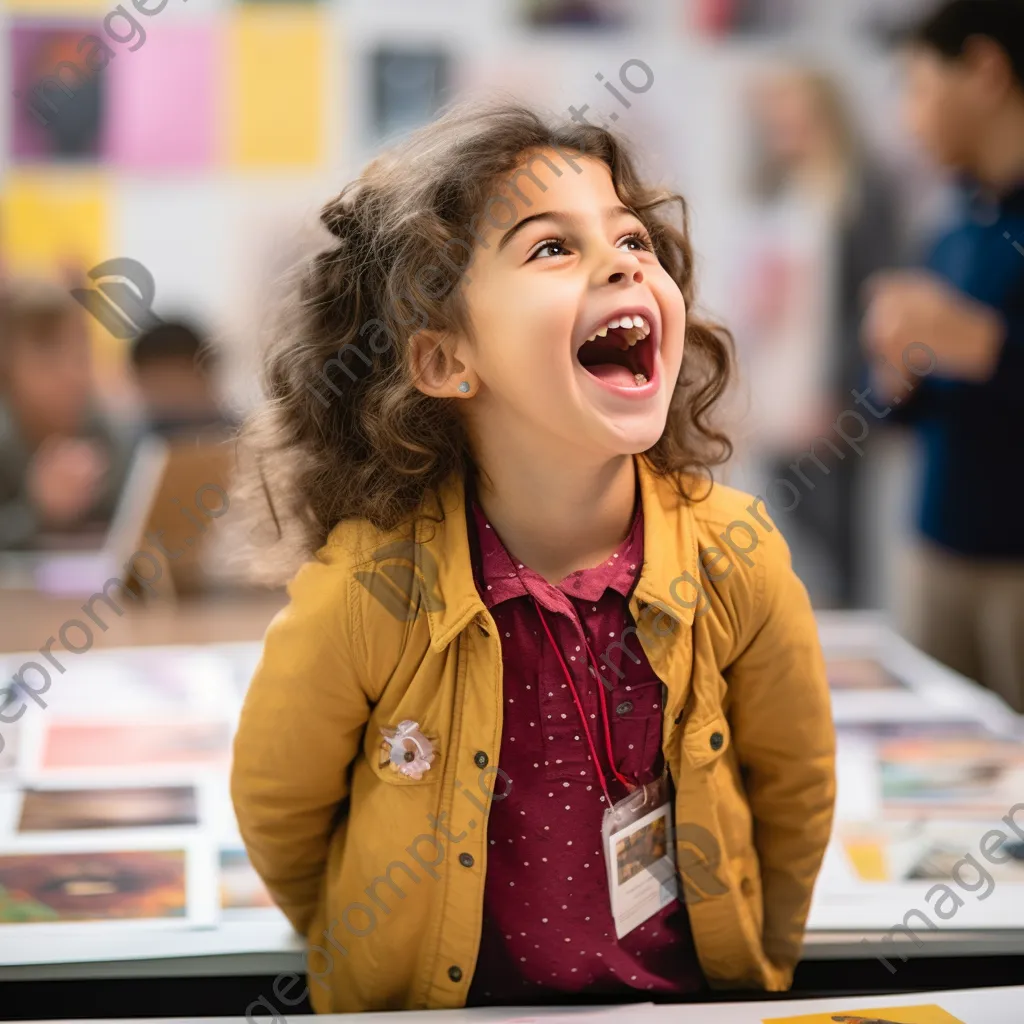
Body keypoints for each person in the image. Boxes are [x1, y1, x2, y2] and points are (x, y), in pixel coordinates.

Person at [230, 101, 835, 1013]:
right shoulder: (367, 591)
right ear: (442, 359)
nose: (626, 261)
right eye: (553, 248)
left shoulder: (737, 558)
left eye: (633, 239)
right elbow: (282, 810)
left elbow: (796, 788)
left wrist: (757, 976)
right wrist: (371, 951)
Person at [864, 0, 1024, 711]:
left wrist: (990, 349)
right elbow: (900, 410)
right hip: (938, 551)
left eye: (920, 87)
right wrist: (892, 375)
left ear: (986, 71)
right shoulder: (953, 220)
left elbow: (985, 358)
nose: (909, 117)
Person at [736, 64, 902, 608]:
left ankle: (846, 661)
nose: (784, 125)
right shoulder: (777, 190)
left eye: (795, 112)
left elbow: (874, 302)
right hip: (777, 385)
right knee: (785, 532)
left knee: (835, 539)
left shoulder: (862, 190)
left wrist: (839, 391)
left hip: (832, 395)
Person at [0, 278, 135, 550]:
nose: (72, 375)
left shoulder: (108, 434)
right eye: (48, 359)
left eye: (81, 355)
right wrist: (37, 511)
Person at [129, 319, 230, 438]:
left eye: (172, 384)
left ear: (203, 373)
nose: (169, 398)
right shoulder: (135, 442)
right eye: (160, 386)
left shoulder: (242, 438)